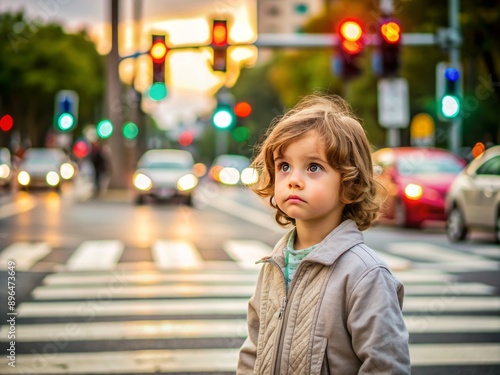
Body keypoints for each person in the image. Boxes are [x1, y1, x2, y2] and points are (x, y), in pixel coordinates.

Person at [237, 94, 410, 374]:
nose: (293, 179)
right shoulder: (274, 265)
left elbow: (386, 365)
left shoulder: (365, 275)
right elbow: (253, 350)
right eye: (284, 166)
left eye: (313, 167)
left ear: (349, 184)